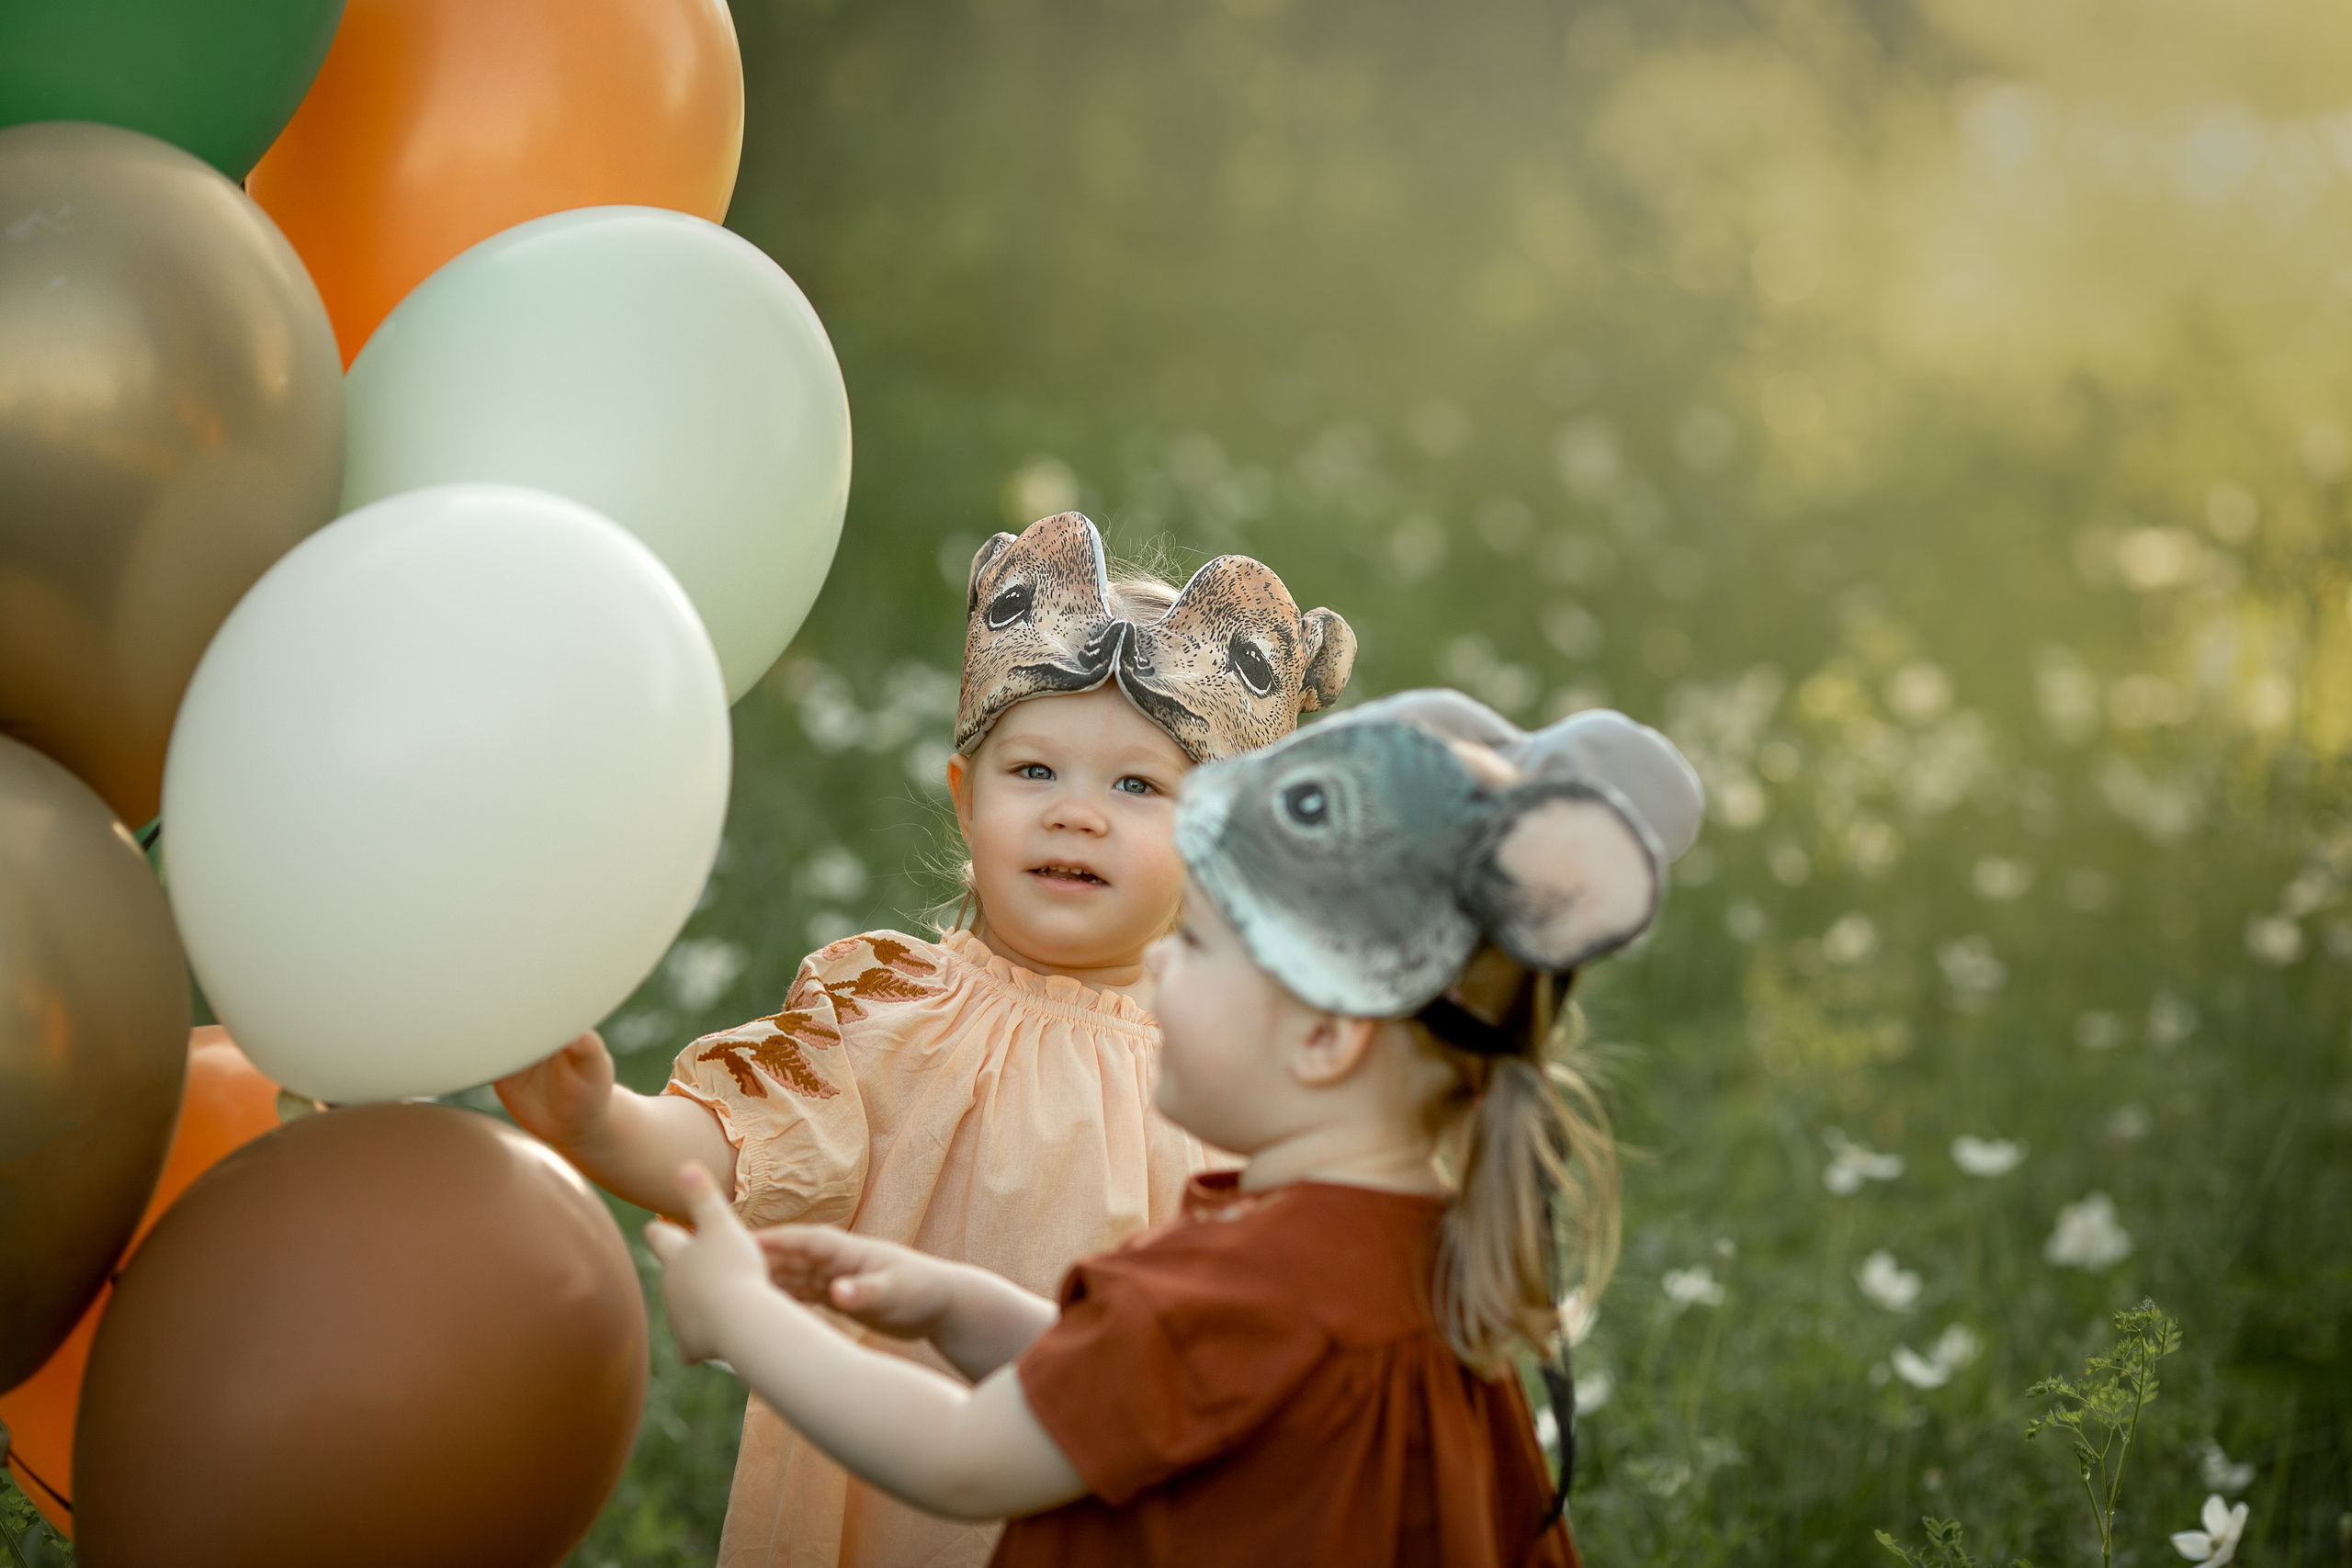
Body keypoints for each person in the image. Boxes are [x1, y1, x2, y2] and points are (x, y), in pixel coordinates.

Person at [643, 687, 1705, 1566]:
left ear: (1325, 1038)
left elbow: (966, 1459)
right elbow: (1156, 1387)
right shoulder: (1404, 1257)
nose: (1155, 965)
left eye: (1195, 944)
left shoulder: (1236, 1288)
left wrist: (742, 1316)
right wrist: (956, 1304)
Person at [496, 511, 1355, 1566]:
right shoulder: (892, 1009)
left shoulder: (1231, 1068)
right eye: (1034, 771)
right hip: (896, 1500)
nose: (1075, 814)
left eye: (1137, 786)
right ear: (965, 798)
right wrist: (599, 1121)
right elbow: (744, 1146)